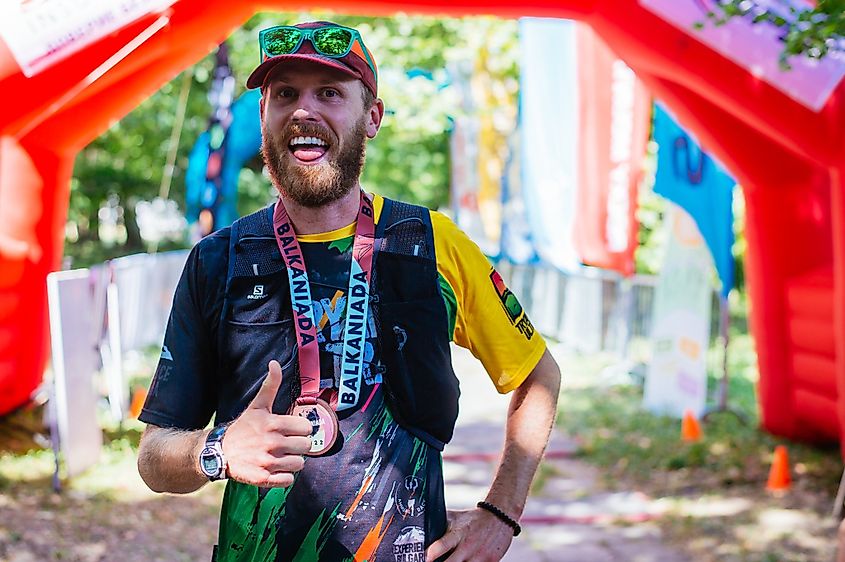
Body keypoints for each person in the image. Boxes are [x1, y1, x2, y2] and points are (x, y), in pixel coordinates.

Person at [137, 20, 561, 562]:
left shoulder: (431, 245)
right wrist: (215, 450)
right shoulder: (218, 262)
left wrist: (501, 514)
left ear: (372, 117)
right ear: (264, 115)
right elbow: (154, 457)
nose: (303, 111)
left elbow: (537, 373)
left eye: (330, 93)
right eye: (284, 93)